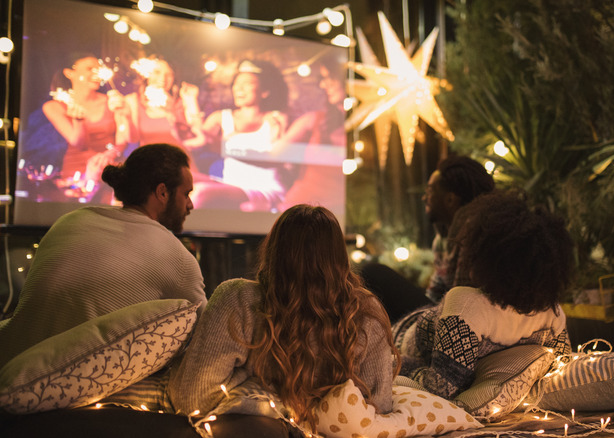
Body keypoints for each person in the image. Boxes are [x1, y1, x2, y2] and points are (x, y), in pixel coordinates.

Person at [168, 205, 398, 425]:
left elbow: (191, 400)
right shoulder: (366, 312)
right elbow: (379, 411)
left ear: (273, 249)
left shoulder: (238, 299)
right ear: (339, 257)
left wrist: (252, 381)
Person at [0, 143, 207, 368]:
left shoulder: (70, 220)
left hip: (7, 359)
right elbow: (210, 336)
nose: (190, 204)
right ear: (162, 192)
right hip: (69, 384)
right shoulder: (175, 256)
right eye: (186, 194)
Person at [393, 190, 575, 400]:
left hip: (400, 339)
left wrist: (400, 365)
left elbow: (440, 389)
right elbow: (564, 367)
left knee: (374, 273)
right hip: (412, 328)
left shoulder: (469, 306)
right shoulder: (552, 313)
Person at [361, 155, 495, 321]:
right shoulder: (444, 235)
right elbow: (435, 291)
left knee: (373, 274)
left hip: (457, 317)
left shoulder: (473, 233)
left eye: (430, 191)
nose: (425, 198)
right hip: (439, 308)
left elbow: (464, 301)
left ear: (450, 199)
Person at [186, 59, 316, 212]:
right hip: (230, 185)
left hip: (265, 189)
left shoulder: (277, 118)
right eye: (236, 84)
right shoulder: (220, 117)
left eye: (247, 83)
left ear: (264, 91)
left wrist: (276, 136)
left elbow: (283, 160)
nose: (239, 88)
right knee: (183, 179)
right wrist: (190, 100)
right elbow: (197, 138)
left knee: (201, 194)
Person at [42, 53, 130, 201]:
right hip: (76, 172)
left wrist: (109, 155)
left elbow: (123, 139)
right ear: (70, 73)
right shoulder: (54, 106)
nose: (96, 73)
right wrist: (79, 121)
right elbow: (80, 144)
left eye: (98, 68)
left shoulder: (112, 100)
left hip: (110, 168)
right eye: (90, 68)